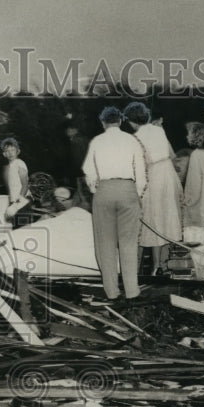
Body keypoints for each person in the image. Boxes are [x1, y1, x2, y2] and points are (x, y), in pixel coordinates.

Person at [82, 106, 147, 305]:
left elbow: (88, 171)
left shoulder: (97, 141)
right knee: (128, 243)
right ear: (120, 121)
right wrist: (136, 192)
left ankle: (111, 292)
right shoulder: (131, 140)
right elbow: (142, 172)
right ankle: (132, 291)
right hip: (128, 189)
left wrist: (96, 190)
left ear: (103, 122)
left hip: (104, 191)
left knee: (106, 244)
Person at [124, 102, 183, 276]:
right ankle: (162, 265)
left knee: (154, 220)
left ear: (133, 121)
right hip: (168, 173)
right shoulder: (158, 130)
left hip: (154, 176)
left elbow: (140, 163)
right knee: (167, 218)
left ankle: (156, 266)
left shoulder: (136, 137)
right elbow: (171, 154)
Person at [0, 137, 31, 225]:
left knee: (23, 230)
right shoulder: (9, 166)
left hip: (22, 202)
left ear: (18, 151)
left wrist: (16, 205)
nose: (10, 153)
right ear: (4, 154)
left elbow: (25, 186)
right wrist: (11, 203)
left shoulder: (19, 164)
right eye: (7, 151)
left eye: (13, 150)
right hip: (15, 202)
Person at [64, 121, 92, 211]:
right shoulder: (85, 139)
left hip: (80, 173)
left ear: (74, 130)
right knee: (86, 195)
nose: (66, 132)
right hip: (88, 172)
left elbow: (77, 159)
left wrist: (75, 175)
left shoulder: (76, 141)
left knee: (83, 197)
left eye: (68, 129)